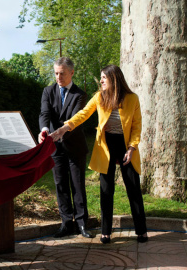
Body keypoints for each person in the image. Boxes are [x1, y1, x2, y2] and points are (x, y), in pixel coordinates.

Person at [51, 64, 148, 244]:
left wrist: (132, 148)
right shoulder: (99, 97)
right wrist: (64, 128)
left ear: (114, 79)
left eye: (104, 77)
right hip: (105, 145)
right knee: (106, 189)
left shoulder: (132, 98)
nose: (101, 80)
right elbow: (83, 114)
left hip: (126, 146)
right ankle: (106, 232)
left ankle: (141, 231)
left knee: (133, 188)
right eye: (101, 77)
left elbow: (136, 127)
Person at [38, 57, 92, 238]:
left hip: (74, 146)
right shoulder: (48, 91)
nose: (58, 77)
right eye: (55, 73)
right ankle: (66, 223)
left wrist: (59, 133)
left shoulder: (80, 95)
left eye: (62, 73)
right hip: (55, 148)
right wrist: (44, 130)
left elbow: (74, 121)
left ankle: (83, 223)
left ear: (72, 73)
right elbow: (44, 113)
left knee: (77, 185)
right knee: (60, 184)